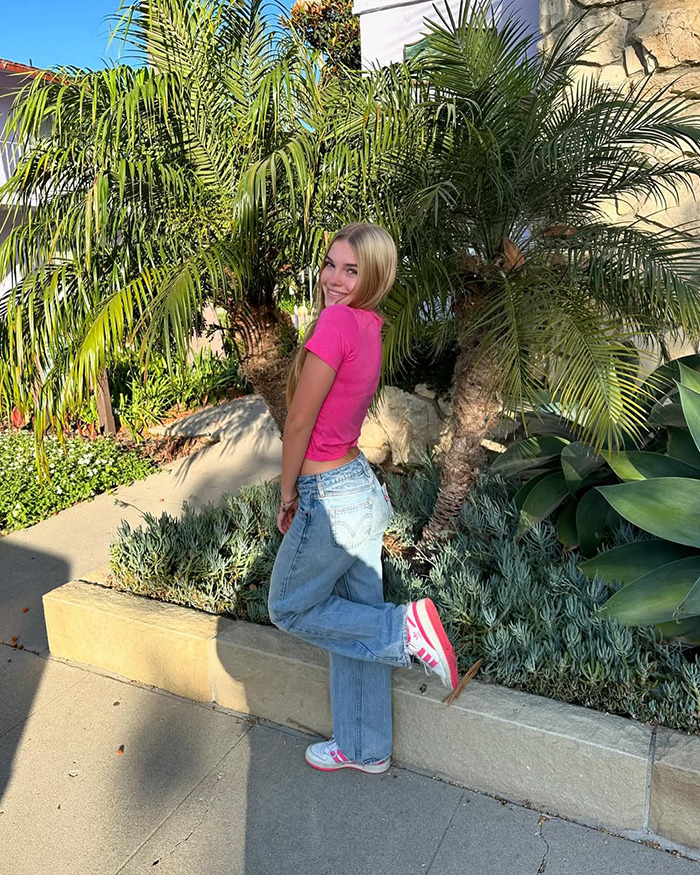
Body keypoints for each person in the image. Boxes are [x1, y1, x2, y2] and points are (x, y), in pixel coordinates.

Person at [268, 222, 459, 774]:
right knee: (354, 620)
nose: (333, 278)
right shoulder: (369, 325)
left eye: (350, 270)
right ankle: (365, 747)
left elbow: (299, 421)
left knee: (288, 607)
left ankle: (406, 631)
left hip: (328, 492)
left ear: (374, 274)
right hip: (357, 488)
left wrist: (286, 494)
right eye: (330, 264)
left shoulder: (334, 323)